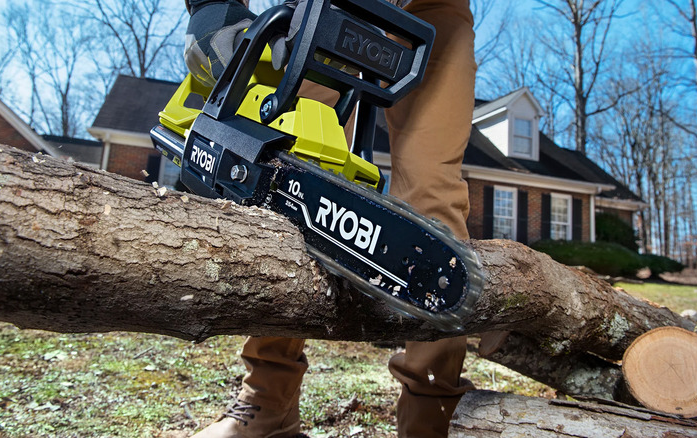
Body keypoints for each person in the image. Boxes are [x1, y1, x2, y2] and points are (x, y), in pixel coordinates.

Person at [183, 0, 477, 436]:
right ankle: (268, 397)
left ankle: (431, 413)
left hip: (435, 12)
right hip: (326, 6)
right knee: (290, 168)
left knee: (433, 194)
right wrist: (210, 6)